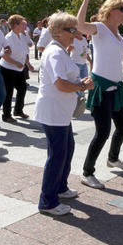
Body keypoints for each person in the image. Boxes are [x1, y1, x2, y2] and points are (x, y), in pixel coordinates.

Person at [76, 0, 123, 189]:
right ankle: (87, 172)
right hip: (100, 87)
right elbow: (79, 25)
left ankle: (113, 158)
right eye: (122, 9)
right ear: (111, 11)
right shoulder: (100, 29)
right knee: (103, 132)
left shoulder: (119, 38)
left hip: (115, 88)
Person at [34, 11, 94, 216]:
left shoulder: (60, 50)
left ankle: (60, 187)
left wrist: (79, 85)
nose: (76, 33)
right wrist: (82, 86)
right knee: (57, 155)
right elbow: (60, 83)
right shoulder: (55, 53)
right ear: (58, 32)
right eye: (72, 29)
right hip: (54, 111)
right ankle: (47, 201)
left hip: (60, 112)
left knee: (66, 149)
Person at [0, 14, 35, 123]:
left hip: (19, 69)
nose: (25, 25)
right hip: (8, 69)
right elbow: (4, 56)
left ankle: (18, 110)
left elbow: (25, 50)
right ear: (15, 25)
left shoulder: (22, 35)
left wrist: (27, 64)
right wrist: (16, 63)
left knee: (22, 88)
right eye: (22, 23)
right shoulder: (9, 38)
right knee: (8, 92)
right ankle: (6, 115)